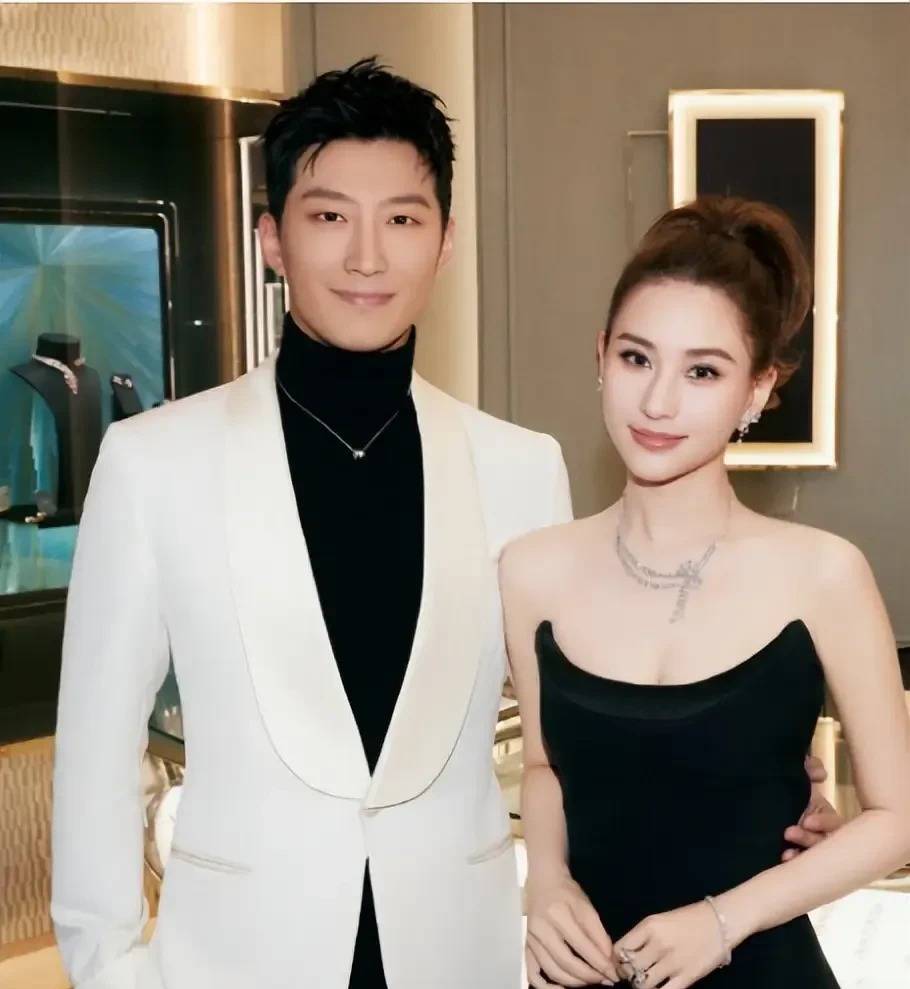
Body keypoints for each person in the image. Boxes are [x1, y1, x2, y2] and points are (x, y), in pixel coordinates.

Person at [51, 58, 839, 989]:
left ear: (447, 240)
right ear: (271, 238)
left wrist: (763, 787)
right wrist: (110, 970)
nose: (367, 257)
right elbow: (96, 752)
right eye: (329, 217)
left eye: (402, 219)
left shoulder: (521, 467)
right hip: (231, 964)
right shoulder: (152, 463)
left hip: (461, 956)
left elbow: (580, 736)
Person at [500, 195, 910, 989]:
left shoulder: (823, 574)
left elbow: (897, 819)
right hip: (587, 973)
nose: (658, 401)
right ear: (601, 356)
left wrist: (724, 919)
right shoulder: (531, 570)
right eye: (636, 358)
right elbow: (545, 766)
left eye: (703, 371)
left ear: (757, 389)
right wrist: (545, 881)